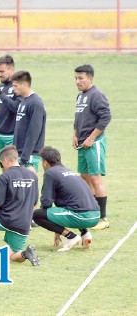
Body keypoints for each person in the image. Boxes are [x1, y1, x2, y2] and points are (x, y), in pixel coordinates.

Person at [32, 147, 100, 252]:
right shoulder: (69, 171)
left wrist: (54, 226)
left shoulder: (50, 173)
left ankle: (71, 237)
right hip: (95, 215)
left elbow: (46, 202)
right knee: (71, 205)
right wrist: (57, 229)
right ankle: (85, 234)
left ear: (45, 162)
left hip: (82, 216)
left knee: (36, 215)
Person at [73, 64, 112, 230]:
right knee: (84, 179)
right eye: (76, 78)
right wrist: (75, 134)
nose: (77, 81)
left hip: (93, 143)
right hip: (82, 143)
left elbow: (105, 118)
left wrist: (91, 137)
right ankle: (91, 212)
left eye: (81, 78)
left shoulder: (97, 95)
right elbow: (78, 118)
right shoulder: (80, 96)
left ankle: (102, 218)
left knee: (95, 178)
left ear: (90, 78)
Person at [9, 71, 46, 173]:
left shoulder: (35, 103)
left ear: (24, 84)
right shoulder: (24, 101)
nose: (13, 89)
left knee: (29, 186)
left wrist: (25, 157)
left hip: (29, 155)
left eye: (16, 86)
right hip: (20, 153)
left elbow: (34, 132)